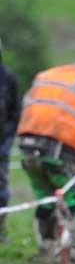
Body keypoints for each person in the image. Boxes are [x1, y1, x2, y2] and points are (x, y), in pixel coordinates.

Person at [16, 56, 75, 261]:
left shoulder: (45, 76)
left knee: (46, 199)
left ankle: (45, 249)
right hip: (59, 150)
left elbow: (25, 105)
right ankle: (73, 253)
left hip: (26, 147)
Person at [0, 39, 20, 240]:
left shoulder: (8, 77)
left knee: (1, 187)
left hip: (2, 141)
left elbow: (15, 111)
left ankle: (0, 229)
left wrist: (8, 137)